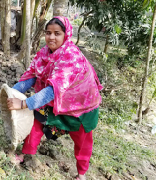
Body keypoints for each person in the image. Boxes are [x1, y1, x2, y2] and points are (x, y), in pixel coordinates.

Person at [7, 16, 103, 180]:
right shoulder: (44, 53)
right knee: (36, 122)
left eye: (57, 33)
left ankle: (81, 174)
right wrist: (10, 94)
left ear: (66, 35)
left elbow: (52, 91)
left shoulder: (71, 57)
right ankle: (24, 154)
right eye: (48, 33)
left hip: (80, 107)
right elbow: (31, 77)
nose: (51, 37)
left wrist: (23, 103)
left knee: (82, 141)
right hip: (54, 101)